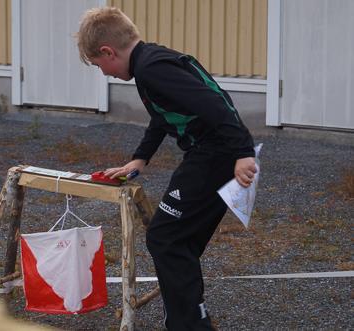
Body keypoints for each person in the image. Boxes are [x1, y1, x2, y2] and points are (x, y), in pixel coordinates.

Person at [77, 7, 257, 330]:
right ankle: (189, 319)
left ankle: (188, 324)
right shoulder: (151, 61)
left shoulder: (151, 70)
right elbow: (163, 115)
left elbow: (212, 102)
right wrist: (140, 158)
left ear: (108, 51)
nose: (102, 73)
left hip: (216, 154)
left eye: (98, 65)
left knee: (166, 237)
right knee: (179, 240)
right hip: (212, 153)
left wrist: (243, 151)